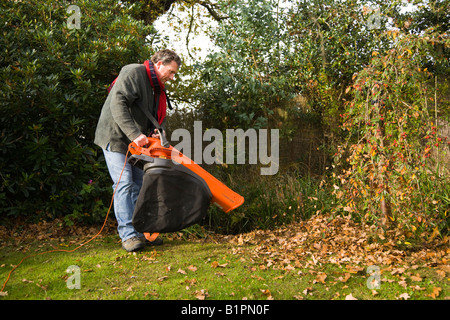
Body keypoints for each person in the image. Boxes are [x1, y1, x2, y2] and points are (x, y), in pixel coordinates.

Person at [94, 49, 181, 252]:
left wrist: (158, 133)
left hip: (136, 143)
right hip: (114, 136)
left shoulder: (155, 87)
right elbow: (118, 103)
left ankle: (141, 231)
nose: (172, 77)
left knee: (140, 185)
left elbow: (152, 116)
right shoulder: (133, 72)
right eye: (171, 71)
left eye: (174, 73)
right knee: (123, 183)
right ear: (159, 64)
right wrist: (134, 134)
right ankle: (128, 235)